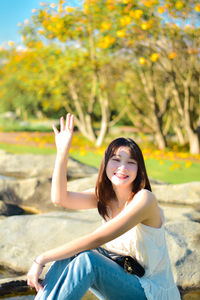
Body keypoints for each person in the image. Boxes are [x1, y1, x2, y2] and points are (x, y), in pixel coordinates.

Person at [27, 113, 181, 300]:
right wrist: (62, 151)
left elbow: (97, 238)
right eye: (116, 160)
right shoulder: (104, 196)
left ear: (139, 170)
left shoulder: (144, 199)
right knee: (68, 256)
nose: (122, 167)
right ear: (105, 163)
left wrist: (42, 258)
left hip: (151, 291)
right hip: (124, 281)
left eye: (130, 163)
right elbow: (60, 199)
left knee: (87, 259)